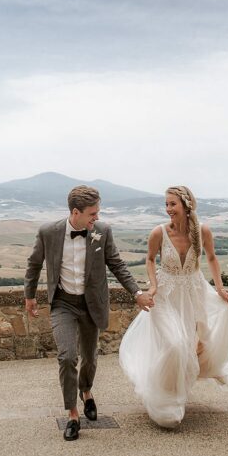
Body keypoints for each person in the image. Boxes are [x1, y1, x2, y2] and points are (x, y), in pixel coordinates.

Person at [25, 185, 155, 441]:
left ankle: (86, 391)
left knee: (90, 357)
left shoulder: (102, 232)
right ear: (76, 212)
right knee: (67, 356)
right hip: (63, 302)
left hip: (91, 303)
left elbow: (117, 264)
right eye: (92, 213)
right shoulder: (48, 232)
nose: (97, 217)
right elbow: (34, 264)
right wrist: (29, 296)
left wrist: (137, 293)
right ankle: (73, 414)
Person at [119, 185, 228, 428]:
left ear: (186, 205)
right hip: (165, 296)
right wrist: (152, 287)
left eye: (172, 204)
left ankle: (179, 394)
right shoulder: (159, 233)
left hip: (193, 294)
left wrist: (219, 288)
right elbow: (150, 259)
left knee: (192, 346)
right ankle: (168, 403)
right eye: (166, 204)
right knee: (174, 346)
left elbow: (212, 258)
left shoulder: (202, 231)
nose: (168, 209)